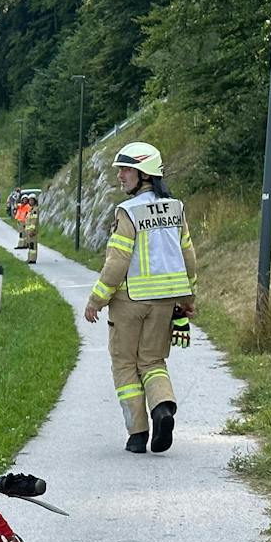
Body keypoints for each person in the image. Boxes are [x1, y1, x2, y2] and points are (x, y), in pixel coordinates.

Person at [82, 142, 197, 454]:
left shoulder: (128, 212)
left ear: (145, 174)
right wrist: (189, 297)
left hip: (129, 302)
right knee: (153, 361)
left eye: (126, 169)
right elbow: (188, 257)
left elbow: (117, 262)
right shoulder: (176, 208)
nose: (120, 175)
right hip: (164, 303)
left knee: (124, 364)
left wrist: (97, 299)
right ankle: (162, 410)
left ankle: (137, 435)